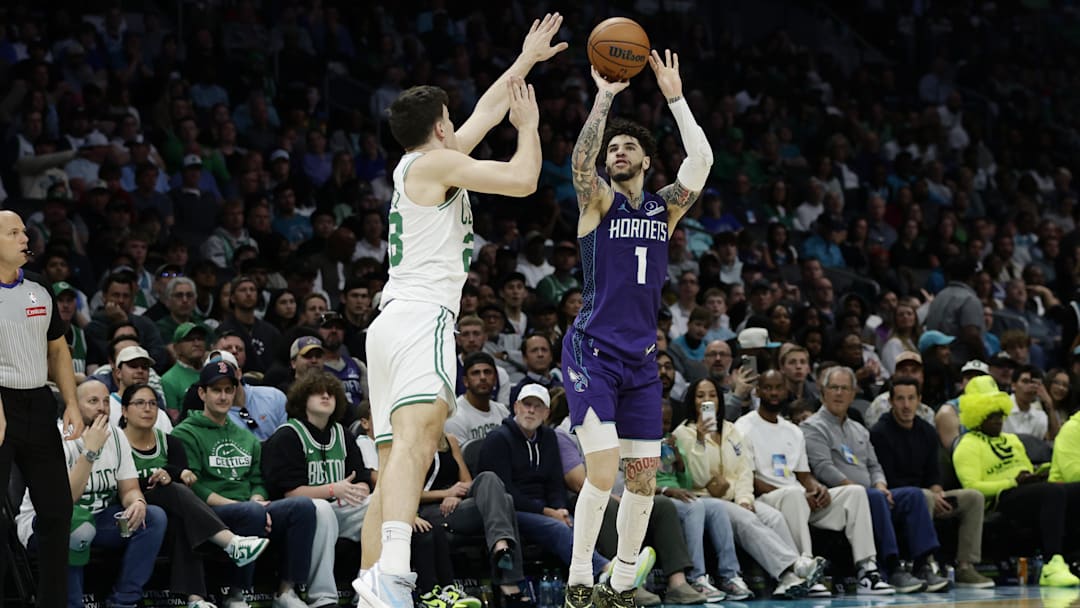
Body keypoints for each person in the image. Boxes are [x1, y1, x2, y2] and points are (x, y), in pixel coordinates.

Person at [356, 16, 566, 608]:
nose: (459, 122)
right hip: (421, 316)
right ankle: (394, 577)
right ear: (439, 126)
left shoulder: (418, 165)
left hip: (391, 320)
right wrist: (530, 128)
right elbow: (524, 181)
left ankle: (373, 585)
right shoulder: (436, 165)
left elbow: (484, 113)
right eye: (453, 116)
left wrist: (525, 61)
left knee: (396, 465)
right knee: (420, 448)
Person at [562, 48, 714, 608]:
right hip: (591, 351)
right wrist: (604, 98)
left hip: (641, 360)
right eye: (613, 149)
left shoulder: (663, 209)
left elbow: (700, 163)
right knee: (603, 470)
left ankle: (622, 582)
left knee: (645, 476)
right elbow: (580, 164)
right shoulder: (598, 201)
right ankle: (580, 577)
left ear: (647, 160)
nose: (616, 153)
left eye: (628, 147)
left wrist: (675, 98)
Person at [733, 371, 895, 595]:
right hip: (766, 499)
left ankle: (867, 570)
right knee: (793, 494)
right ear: (757, 391)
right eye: (767, 387)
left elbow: (803, 474)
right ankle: (807, 571)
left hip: (799, 499)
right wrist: (800, 493)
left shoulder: (793, 430)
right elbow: (748, 478)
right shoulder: (743, 426)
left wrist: (816, 488)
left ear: (785, 391)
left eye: (778, 387)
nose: (773, 392)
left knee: (855, 492)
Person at [172, 359, 317, 608]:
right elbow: (193, 487)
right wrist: (243, 506)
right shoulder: (185, 433)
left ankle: (287, 591)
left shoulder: (245, 435)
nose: (223, 396)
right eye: (216, 390)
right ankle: (237, 594)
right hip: (210, 512)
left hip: (250, 507)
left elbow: (257, 480)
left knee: (303, 507)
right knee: (250, 513)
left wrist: (257, 499)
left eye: (229, 390)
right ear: (202, 393)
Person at [16, 379, 166, 608]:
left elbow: (129, 488)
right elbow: (63, 503)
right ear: (74, 405)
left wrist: (136, 502)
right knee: (76, 525)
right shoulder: (53, 438)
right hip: (46, 524)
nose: (102, 408)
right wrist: (90, 451)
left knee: (154, 518)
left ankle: (124, 601)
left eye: (106, 401)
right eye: (93, 401)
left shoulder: (116, 436)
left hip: (99, 519)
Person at [0, 210, 86, 608]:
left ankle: (52, 603)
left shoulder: (39, 287)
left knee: (56, 511)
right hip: (1, 402)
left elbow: (57, 348)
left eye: (23, 230)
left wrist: (70, 401)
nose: (24, 237)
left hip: (38, 402)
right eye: (13, 232)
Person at [120, 382, 270, 608]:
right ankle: (231, 543)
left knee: (182, 516)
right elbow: (119, 484)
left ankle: (196, 600)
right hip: (129, 507)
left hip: (167, 514)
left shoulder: (170, 442)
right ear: (124, 410)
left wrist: (174, 474)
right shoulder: (116, 442)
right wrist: (165, 477)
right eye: (139, 403)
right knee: (169, 492)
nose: (148, 409)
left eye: (152, 403)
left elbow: (183, 478)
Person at [670, 377, 823, 599]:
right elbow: (697, 477)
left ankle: (790, 579)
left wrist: (744, 499)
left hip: (736, 498)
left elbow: (744, 471)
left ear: (720, 399)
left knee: (774, 517)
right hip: (706, 500)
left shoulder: (732, 431)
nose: (707, 400)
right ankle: (796, 566)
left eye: (712, 395)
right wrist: (701, 440)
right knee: (746, 520)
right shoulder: (683, 433)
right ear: (692, 401)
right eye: (701, 396)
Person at [801, 366, 948, 593]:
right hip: (839, 498)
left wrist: (880, 485)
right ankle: (892, 567)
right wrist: (862, 489)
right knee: (872, 497)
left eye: (845, 389)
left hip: (871, 494)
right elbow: (823, 469)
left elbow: (874, 465)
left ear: (852, 394)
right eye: (834, 388)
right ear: (823, 393)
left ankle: (922, 565)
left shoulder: (859, 429)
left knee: (914, 495)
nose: (839, 393)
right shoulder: (812, 427)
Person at [261, 372, 376, 608]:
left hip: (340, 507)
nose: (326, 396)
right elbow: (289, 493)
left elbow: (362, 477)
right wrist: (334, 489)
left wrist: (360, 491)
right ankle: (322, 597)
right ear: (303, 399)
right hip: (296, 514)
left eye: (331, 393)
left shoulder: (343, 434)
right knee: (320, 509)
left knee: (378, 505)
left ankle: (367, 589)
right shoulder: (288, 436)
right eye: (318, 392)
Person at [953, 376, 1080, 587]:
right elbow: (972, 487)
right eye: (992, 415)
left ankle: (1072, 557)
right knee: (1053, 492)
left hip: (1025, 493)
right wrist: (1012, 482)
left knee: (1073, 491)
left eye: (1001, 414)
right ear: (977, 416)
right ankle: (1051, 564)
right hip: (1000, 499)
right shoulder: (967, 445)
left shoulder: (1012, 440)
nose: (998, 420)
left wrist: (1038, 474)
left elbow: (1026, 470)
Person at [869, 378, 994, 588]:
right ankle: (924, 564)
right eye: (900, 399)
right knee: (922, 496)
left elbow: (934, 473)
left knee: (973, 497)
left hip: (928, 494)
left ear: (919, 400)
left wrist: (938, 492)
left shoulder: (927, 430)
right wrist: (929, 493)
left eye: (911, 398)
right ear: (891, 401)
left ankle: (965, 567)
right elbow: (886, 477)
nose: (906, 405)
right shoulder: (880, 432)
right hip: (898, 499)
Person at [446, 352, 511, 448]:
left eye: (487, 372)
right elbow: (459, 460)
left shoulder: (503, 412)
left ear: (495, 380)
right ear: (465, 381)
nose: (483, 377)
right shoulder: (455, 416)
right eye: (475, 373)